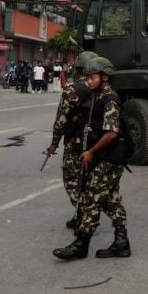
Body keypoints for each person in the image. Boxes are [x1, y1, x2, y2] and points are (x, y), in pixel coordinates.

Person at [53, 56, 131, 260]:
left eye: (92, 77)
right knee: (111, 198)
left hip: (110, 157)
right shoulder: (97, 97)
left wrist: (91, 152)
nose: (88, 81)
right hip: (107, 157)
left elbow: (112, 133)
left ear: (104, 77)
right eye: (86, 77)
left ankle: (81, 244)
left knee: (90, 199)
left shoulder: (109, 99)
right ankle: (121, 242)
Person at [45, 51, 98, 230]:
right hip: (97, 142)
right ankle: (83, 214)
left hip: (76, 142)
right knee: (91, 179)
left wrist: (54, 143)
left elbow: (62, 119)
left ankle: (85, 217)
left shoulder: (73, 89)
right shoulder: (101, 88)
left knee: (72, 180)